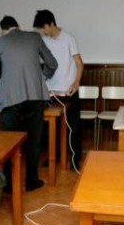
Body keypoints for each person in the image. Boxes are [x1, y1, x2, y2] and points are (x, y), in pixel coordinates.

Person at [0, 15, 57, 191]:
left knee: (9, 142)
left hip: (10, 99)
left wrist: (0, 90)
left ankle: (10, 185)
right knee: (33, 140)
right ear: (18, 25)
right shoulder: (34, 37)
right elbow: (52, 64)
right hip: (36, 96)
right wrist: (42, 78)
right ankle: (32, 181)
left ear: (3, 30)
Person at [33, 9, 85, 171]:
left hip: (68, 91)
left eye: (43, 28)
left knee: (73, 127)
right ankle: (53, 158)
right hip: (50, 91)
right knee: (52, 128)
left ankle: (75, 159)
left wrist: (76, 83)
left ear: (51, 24)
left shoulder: (69, 38)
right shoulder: (44, 41)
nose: (42, 31)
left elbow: (79, 63)